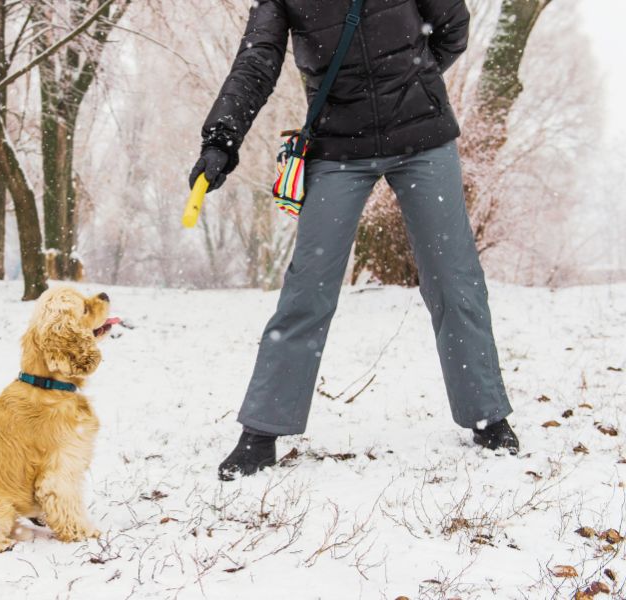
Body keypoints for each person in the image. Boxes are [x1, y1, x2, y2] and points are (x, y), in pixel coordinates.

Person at [189, 0, 519, 481]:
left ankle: (487, 415)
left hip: (423, 140)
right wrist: (221, 140)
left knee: (455, 278)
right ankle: (261, 432)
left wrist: (411, 83)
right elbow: (256, 62)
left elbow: (453, 27)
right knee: (308, 289)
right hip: (337, 149)